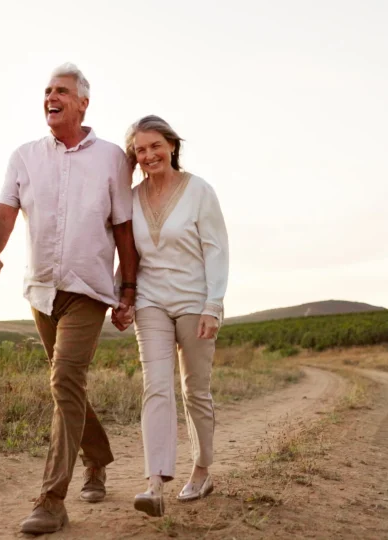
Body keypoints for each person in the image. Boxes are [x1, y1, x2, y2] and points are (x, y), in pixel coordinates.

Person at [0, 63, 138, 535]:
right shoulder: (25, 156)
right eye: (47, 90)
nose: (52, 96)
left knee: (65, 380)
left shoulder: (111, 158)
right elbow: (5, 213)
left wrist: (127, 291)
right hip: (42, 291)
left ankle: (51, 499)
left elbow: (124, 229)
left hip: (88, 290)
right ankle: (97, 459)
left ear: (83, 103)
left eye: (62, 91)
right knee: (65, 385)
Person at [114, 115, 229, 517]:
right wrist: (121, 297)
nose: (148, 155)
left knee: (195, 389)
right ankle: (154, 483)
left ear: (172, 146)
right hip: (151, 301)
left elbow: (216, 249)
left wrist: (213, 305)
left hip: (195, 302)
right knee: (156, 386)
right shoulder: (129, 198)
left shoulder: (199, 191)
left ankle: (201, 470)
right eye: (140, 150)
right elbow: (127, 252)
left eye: (155, 146)